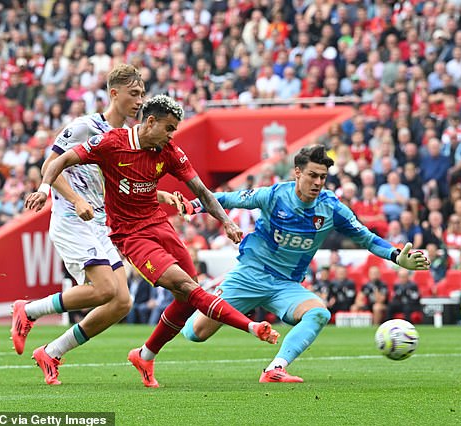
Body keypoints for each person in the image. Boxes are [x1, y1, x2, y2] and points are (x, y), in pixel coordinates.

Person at [25, 94, 280, 388]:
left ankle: (145, 354)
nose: (172, 136)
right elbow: (60, 160)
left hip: (160, 225)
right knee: (187, 287)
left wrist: (226, 221)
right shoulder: (112, 143)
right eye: (169, 128)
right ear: (150, 122)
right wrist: (45, 190)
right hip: (131, 235)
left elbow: (201, 190)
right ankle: (250, 326)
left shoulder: (168, 151)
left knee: (186, 299)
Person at [178, 145, 429, 382]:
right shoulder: (274, 196)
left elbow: (366, 237)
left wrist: (396, 256)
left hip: (285, 285)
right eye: (312, 175)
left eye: (323, 177)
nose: (318, 182)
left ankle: (276, 368)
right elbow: (226, 198)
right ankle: (196, 303)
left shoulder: (331, 208)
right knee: (195, 334)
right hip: (250, 275)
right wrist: (193, 205)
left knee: (319, 312)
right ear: (297, 172)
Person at [11, 64, 182, 385]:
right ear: (113, 93)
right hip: (72, 219)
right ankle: (29, 309)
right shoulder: (86, 126)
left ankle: (52, 351)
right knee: (104, 289)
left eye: (142, 94)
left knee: (121, 302)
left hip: (102, 222)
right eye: (133, 94)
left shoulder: (129, 138)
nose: (139, 100)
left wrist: (159, 194)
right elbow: (51, 163)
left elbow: (118, 182)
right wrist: (71, 198)